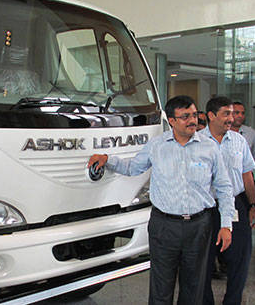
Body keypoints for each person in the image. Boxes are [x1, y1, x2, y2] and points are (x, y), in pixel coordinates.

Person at [88, 95, 234, 305]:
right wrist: (108, 160)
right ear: (172, 121)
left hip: (199, 226)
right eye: (185, 117)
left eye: (194, 115)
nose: (192, 120)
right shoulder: (157, 146)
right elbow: (133, 167)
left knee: (195, 288)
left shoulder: (209, 148)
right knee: (161, 287)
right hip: (164, 226)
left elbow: (224, 187)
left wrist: (226, 224)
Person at [201, 97, 255, 305]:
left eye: (233, 113)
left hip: (236, 205)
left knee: (240, 261)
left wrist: (252, 205)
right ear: (211, 116)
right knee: (203, 263)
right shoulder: (196, 141)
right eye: (226, 113)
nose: (232, 118)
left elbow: (247, 175)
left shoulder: (239, 141)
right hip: (206, 209)